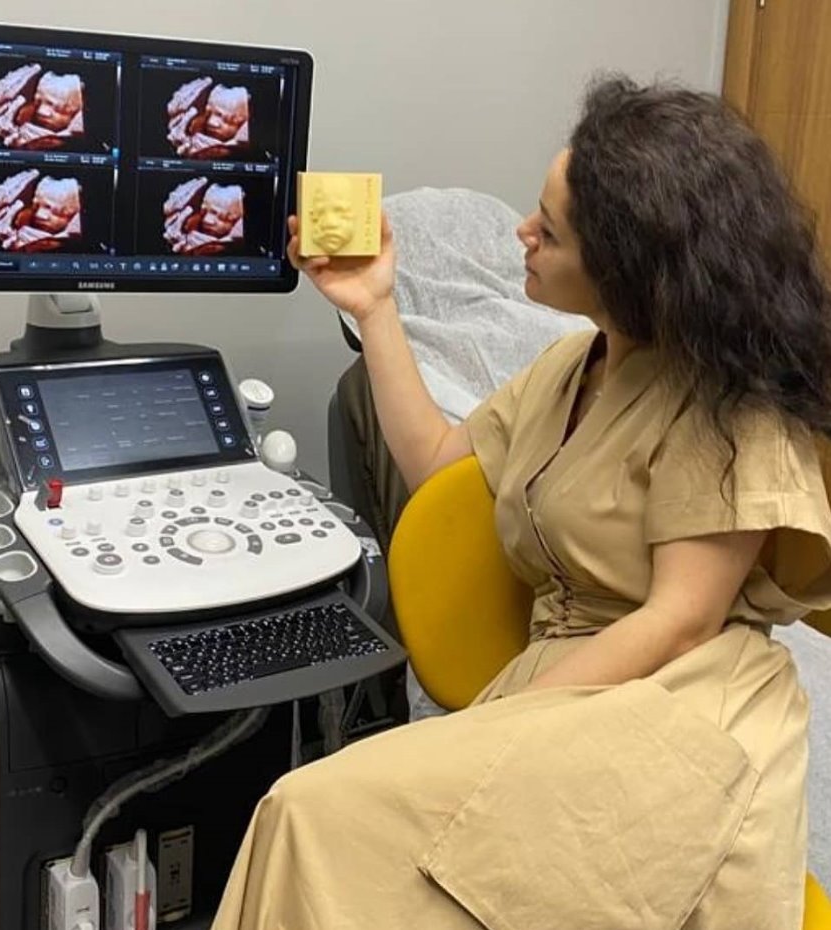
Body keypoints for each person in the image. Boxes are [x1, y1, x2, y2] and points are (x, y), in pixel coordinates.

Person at [210, 75, 831, 930]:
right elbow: (436, 461)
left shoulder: (730, 405)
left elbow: (680, 622)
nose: (523, 233)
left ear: (628, 270)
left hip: (676, 708)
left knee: (310, 815)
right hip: (571, 692)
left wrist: (487, 727)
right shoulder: (574, 367)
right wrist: (376, 306)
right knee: (312, 816)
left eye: (551, 229)